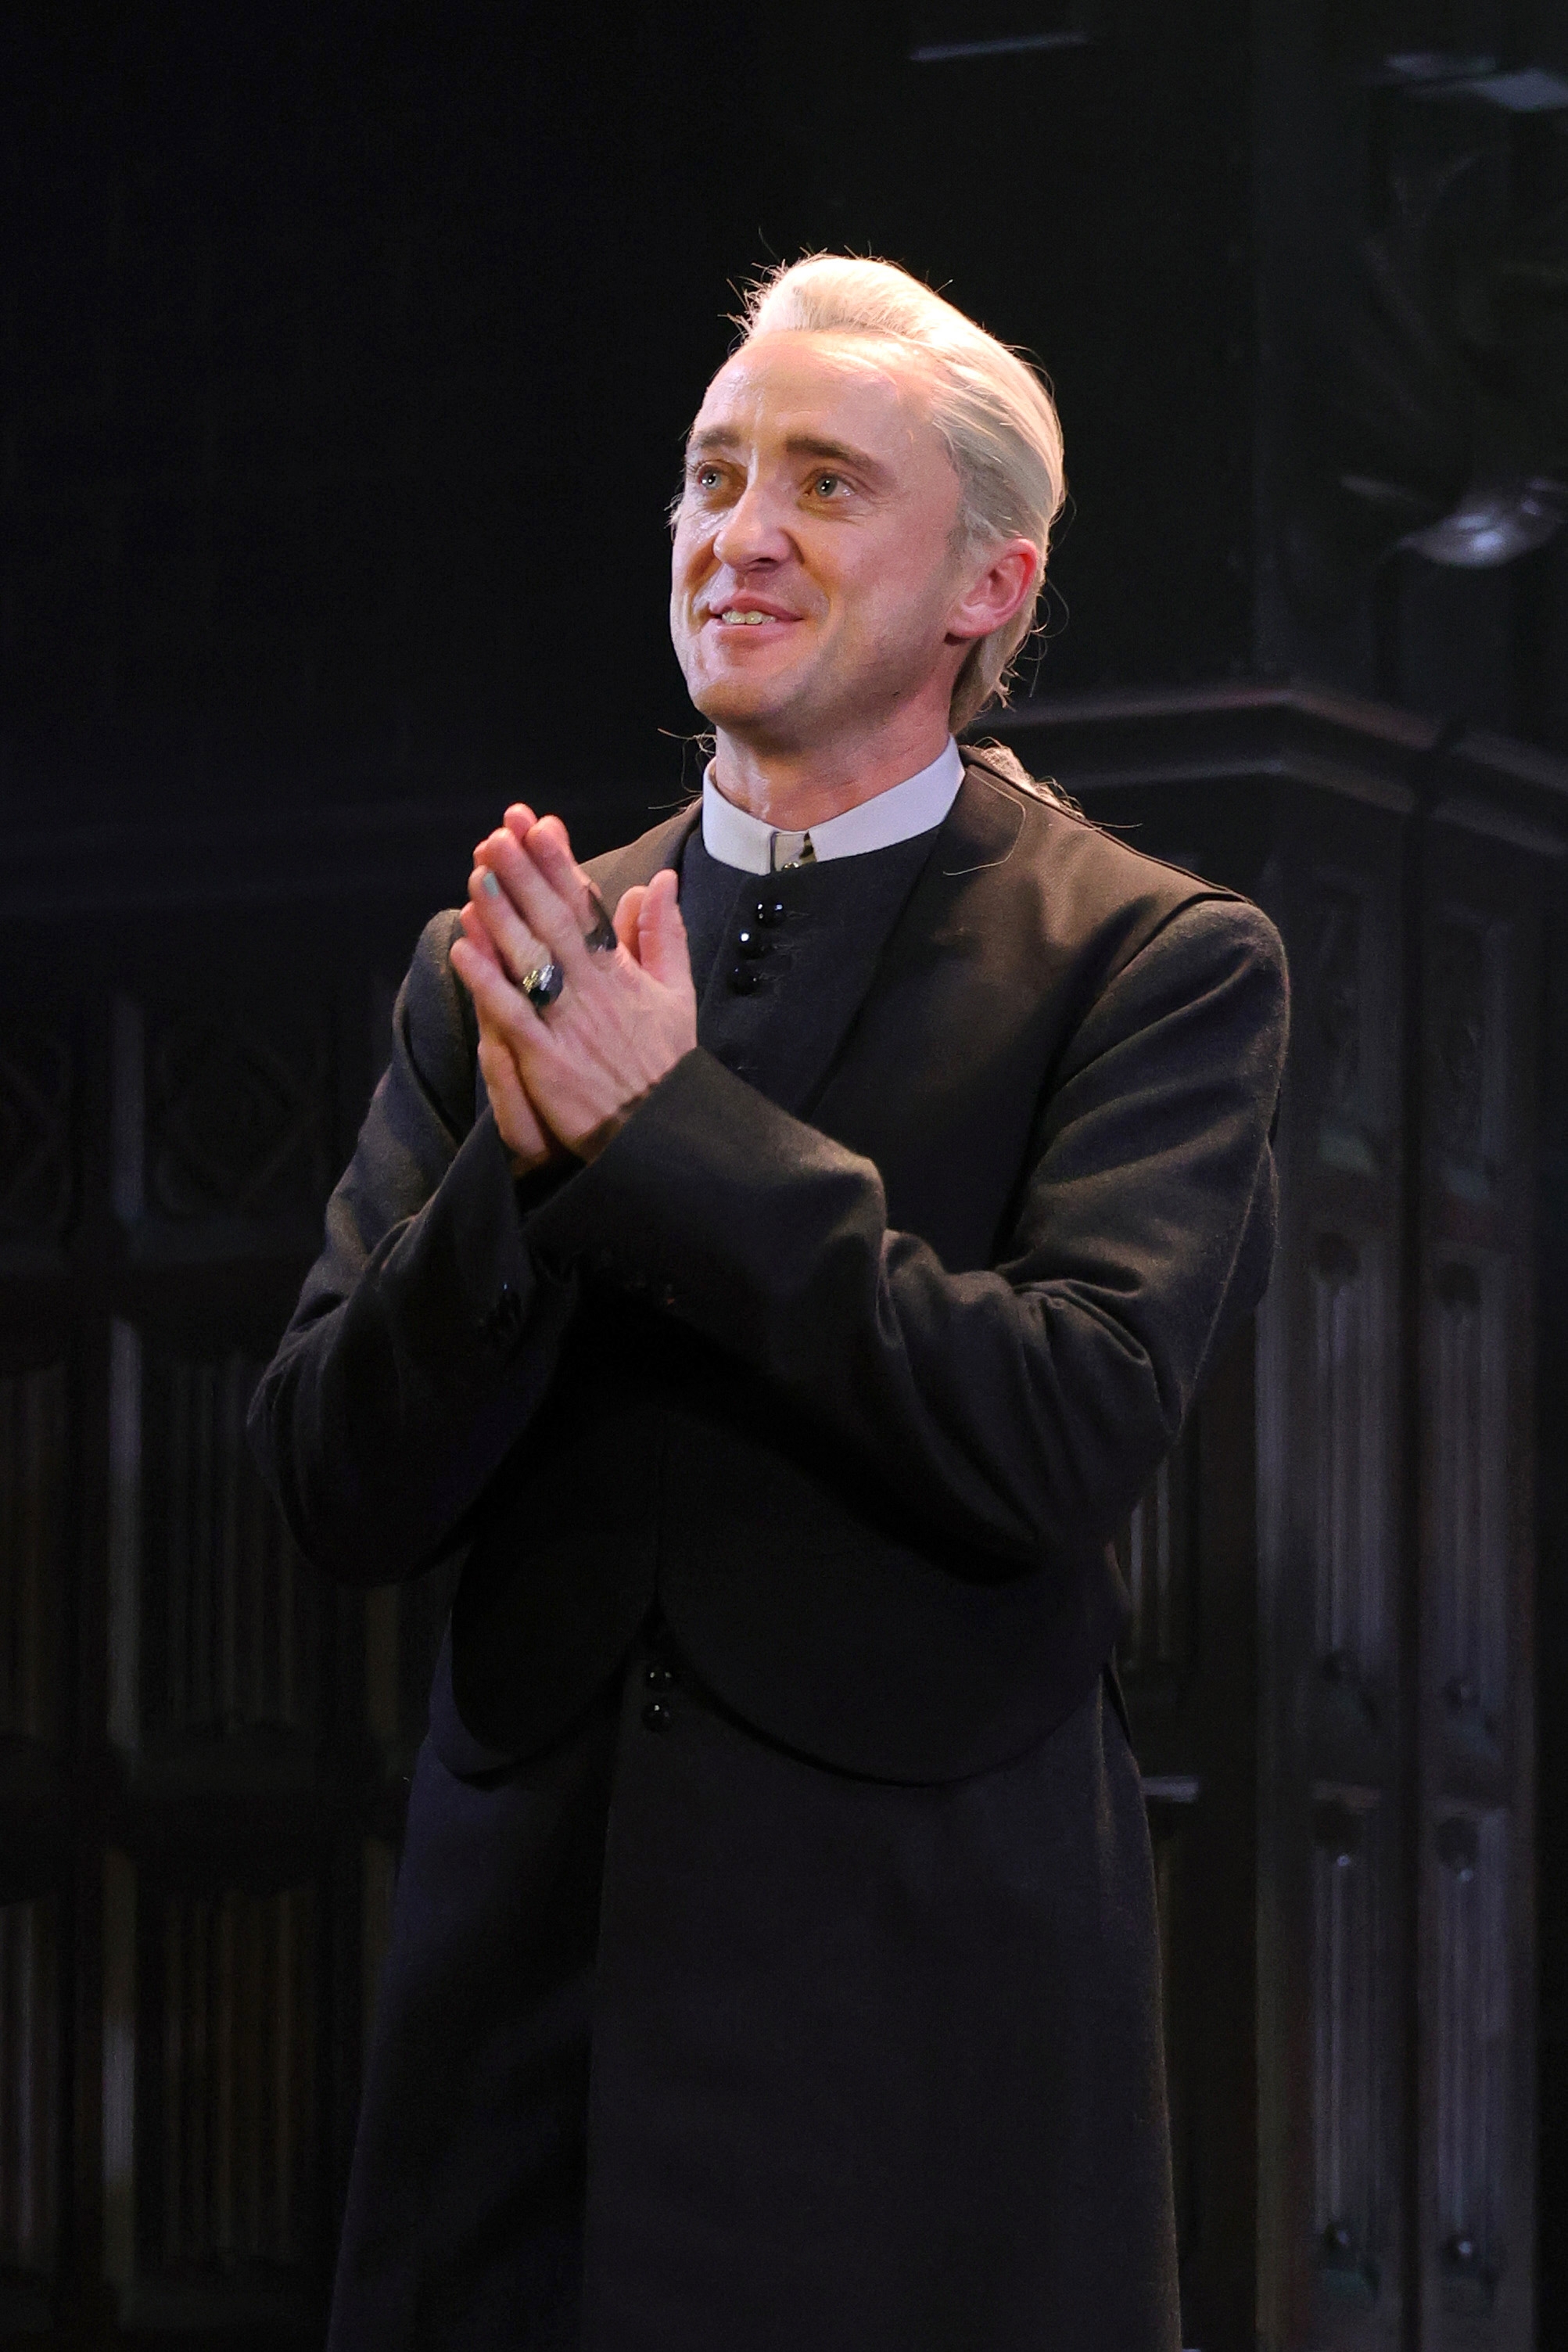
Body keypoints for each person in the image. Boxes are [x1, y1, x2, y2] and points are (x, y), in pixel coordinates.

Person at [249, 254, 1289, 2352]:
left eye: (825, 483)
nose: (741, 532)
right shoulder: (507, 957)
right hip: (529, 2010)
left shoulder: (1152, 963)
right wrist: (526, 1174)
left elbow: (1060, 1426)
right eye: (715, 475)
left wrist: (670, 1133)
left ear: (989, 584)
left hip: (913, 2011)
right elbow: (334, 1482)